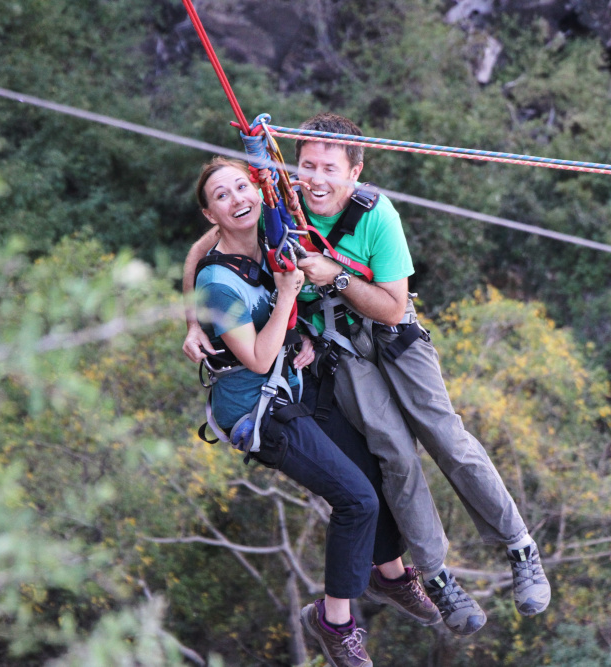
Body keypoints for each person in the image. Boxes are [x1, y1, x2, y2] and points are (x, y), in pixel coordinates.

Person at [183, 114, 550, 636]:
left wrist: (336, 276)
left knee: (448, 439)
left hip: (392, 335)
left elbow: (393, 308)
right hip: (340, 351)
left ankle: (520, 547)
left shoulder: (376, 215)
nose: (315, 179)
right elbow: (209, 244)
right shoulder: (282, 202)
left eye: (329, 168)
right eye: (307, 165)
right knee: (394, 455)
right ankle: (438, 577)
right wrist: (192, 315)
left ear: (355, 172)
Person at [189, 156, 437, 667]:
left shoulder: (269, 238)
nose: (237, 199)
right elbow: (257, 357)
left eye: (242, 186)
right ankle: (334, 620)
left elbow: (203, 253)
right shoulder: (216, 285)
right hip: (259, 408)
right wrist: (281, 301)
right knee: (356, 500)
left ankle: (389, 574)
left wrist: (298, 331)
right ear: (211, 214)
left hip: (297, 384)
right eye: (222, 196)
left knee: (373, 466)